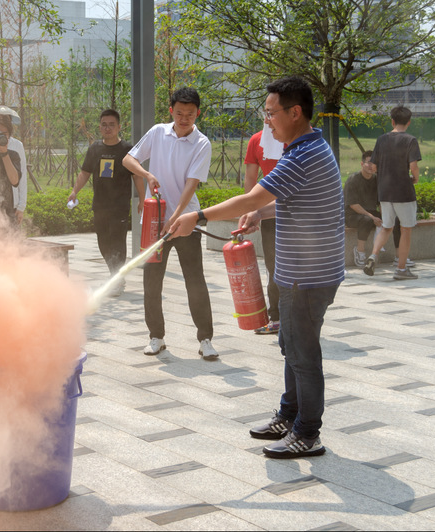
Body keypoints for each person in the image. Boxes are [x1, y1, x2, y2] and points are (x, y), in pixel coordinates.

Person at [168, 76, 344, 459]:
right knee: (291, 345)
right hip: (300, 272)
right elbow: (281, 200)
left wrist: (197, 216)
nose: (267, 121)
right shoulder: (308, 148)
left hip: (308, 276)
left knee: (302, 353)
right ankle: (289, 415)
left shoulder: (302, 155)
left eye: (271, 113)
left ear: (294, 113)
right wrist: (261, 213)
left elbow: (250, 197)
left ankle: (307, 433)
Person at [122, 87, 218, 361]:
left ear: (198, 113)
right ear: (171, 111)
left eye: (190, 114)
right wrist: (147, 174)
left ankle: (206, 339)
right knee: (152, 282)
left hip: (186, 221)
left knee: (195, 280)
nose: (184, 119)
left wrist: (175, 218)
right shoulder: (157, 133)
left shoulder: (201, 143)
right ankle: (156, 337)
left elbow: (191, 184)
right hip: (154, 221)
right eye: (179, 113)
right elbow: (128, 159)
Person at [67, 109, 145, 296]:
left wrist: (143, 199)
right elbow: (85, 173)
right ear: (100, 127)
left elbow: (137, 176)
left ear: (119, 127)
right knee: (103, 242)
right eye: (104, 125)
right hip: (100, 205)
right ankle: (115, 275)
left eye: (111, 125)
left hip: (120, 206)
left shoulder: (127, 150)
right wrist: (74, 191)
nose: (107, 128)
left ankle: (116, 279)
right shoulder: (95, 149)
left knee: (117, 242)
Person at [363, 106, 421, 280]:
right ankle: (401, 270)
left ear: (392, 121)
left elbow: (373, 166)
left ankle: (373, 255)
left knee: (387, 227)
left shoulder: (382, 139)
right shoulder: (411, 140)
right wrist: (415, 178)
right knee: (406, 230)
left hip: (385, 192)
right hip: (404, 192)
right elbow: (413, 166)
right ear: (408, 122)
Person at [244, 126, 283, 334]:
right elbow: (251, 178)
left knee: (299, 266)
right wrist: (250, 211)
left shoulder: (301, 136)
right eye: (267, 113)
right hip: (270, 213)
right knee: (273, 266)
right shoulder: (257, 140)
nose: (269, 118)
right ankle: (276, 317)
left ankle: (299, 317)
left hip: (299, 214)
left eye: (273, 113)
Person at [344, 151, 403, 267]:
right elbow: (353, 205)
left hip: (370, 213)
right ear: (362, 164)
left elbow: (381, 202)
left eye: (374, 163)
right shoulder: (353, 180)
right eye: (369, 163)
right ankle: (360, 251)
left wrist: (385, 216)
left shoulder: (377, 180)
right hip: (352, 215)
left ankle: (399, 256)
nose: (371, 166)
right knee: (367, 220)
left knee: (395, 220)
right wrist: (372, 217)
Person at [0, 106, 28, 225]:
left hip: (12, 204)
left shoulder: (17, 145)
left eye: (6, 120)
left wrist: (21, 206)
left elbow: (22, 176)